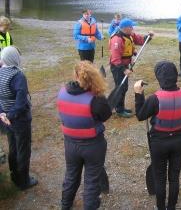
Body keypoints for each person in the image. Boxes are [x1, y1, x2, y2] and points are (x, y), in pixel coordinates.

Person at [134, 61, 181, 210]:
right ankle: (171, 207)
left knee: (160, 178)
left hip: (159, 143)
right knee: (174, 178)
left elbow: (141, 115)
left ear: (159, 78)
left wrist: (138, 94)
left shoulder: (155, 98)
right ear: (175, 76)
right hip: (178, 142)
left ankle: (161, 207)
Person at [57, 61, 112, 210]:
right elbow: (106, 115)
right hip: (93, 145)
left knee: (71, 177)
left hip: (70, 144)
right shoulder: (96, 99)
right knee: (92, 182)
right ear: (94, 78)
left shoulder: (62, 92)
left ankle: (65, 206)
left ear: (75, 76)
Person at [0, 46, 38, 190]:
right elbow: (21, 102)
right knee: (23, 149)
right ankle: (23, 181)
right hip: (19, 119)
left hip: (5, 118)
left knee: (13, 147)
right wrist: (9, 115)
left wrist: (2, 114)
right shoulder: (18, 76)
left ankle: (14, 175)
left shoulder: (1, 72)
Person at [109, 18, 153, 118]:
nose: (133, 28)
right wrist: (124, 70)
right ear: (125, 28)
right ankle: (119, 110)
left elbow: (141, 40)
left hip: (124, 65)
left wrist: (149, 36)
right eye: (131, 26)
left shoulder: (129, 34)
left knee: (124, 87)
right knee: (121, 87)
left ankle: (121, 107)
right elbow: (115, 59)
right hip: (117, 67)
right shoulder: (117, 39)